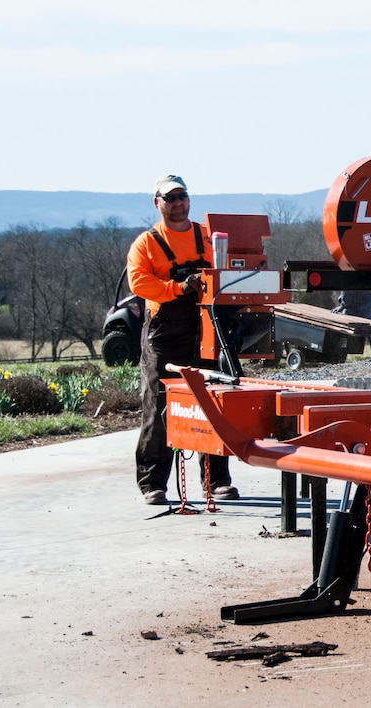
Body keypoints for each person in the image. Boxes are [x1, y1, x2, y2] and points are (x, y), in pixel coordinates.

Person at [127, 175, 238, 505]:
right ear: (157, 203)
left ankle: (216, 480)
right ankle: (152, 484)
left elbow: (230, 270)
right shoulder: (146, 243)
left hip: (207, 328)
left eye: (182, 196)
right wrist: (176, 288)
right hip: (166, 332)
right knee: (159, 407)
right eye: (170, 197)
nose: (177, 202)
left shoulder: (208, 237)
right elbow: (139, 283)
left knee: (213, 403)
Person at [335, 290, 371, 358]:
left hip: (356, 305)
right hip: (367, 303)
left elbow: (346, 297)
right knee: (369, 327)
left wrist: (342, 306)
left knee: (345, 329)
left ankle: (341, 356)